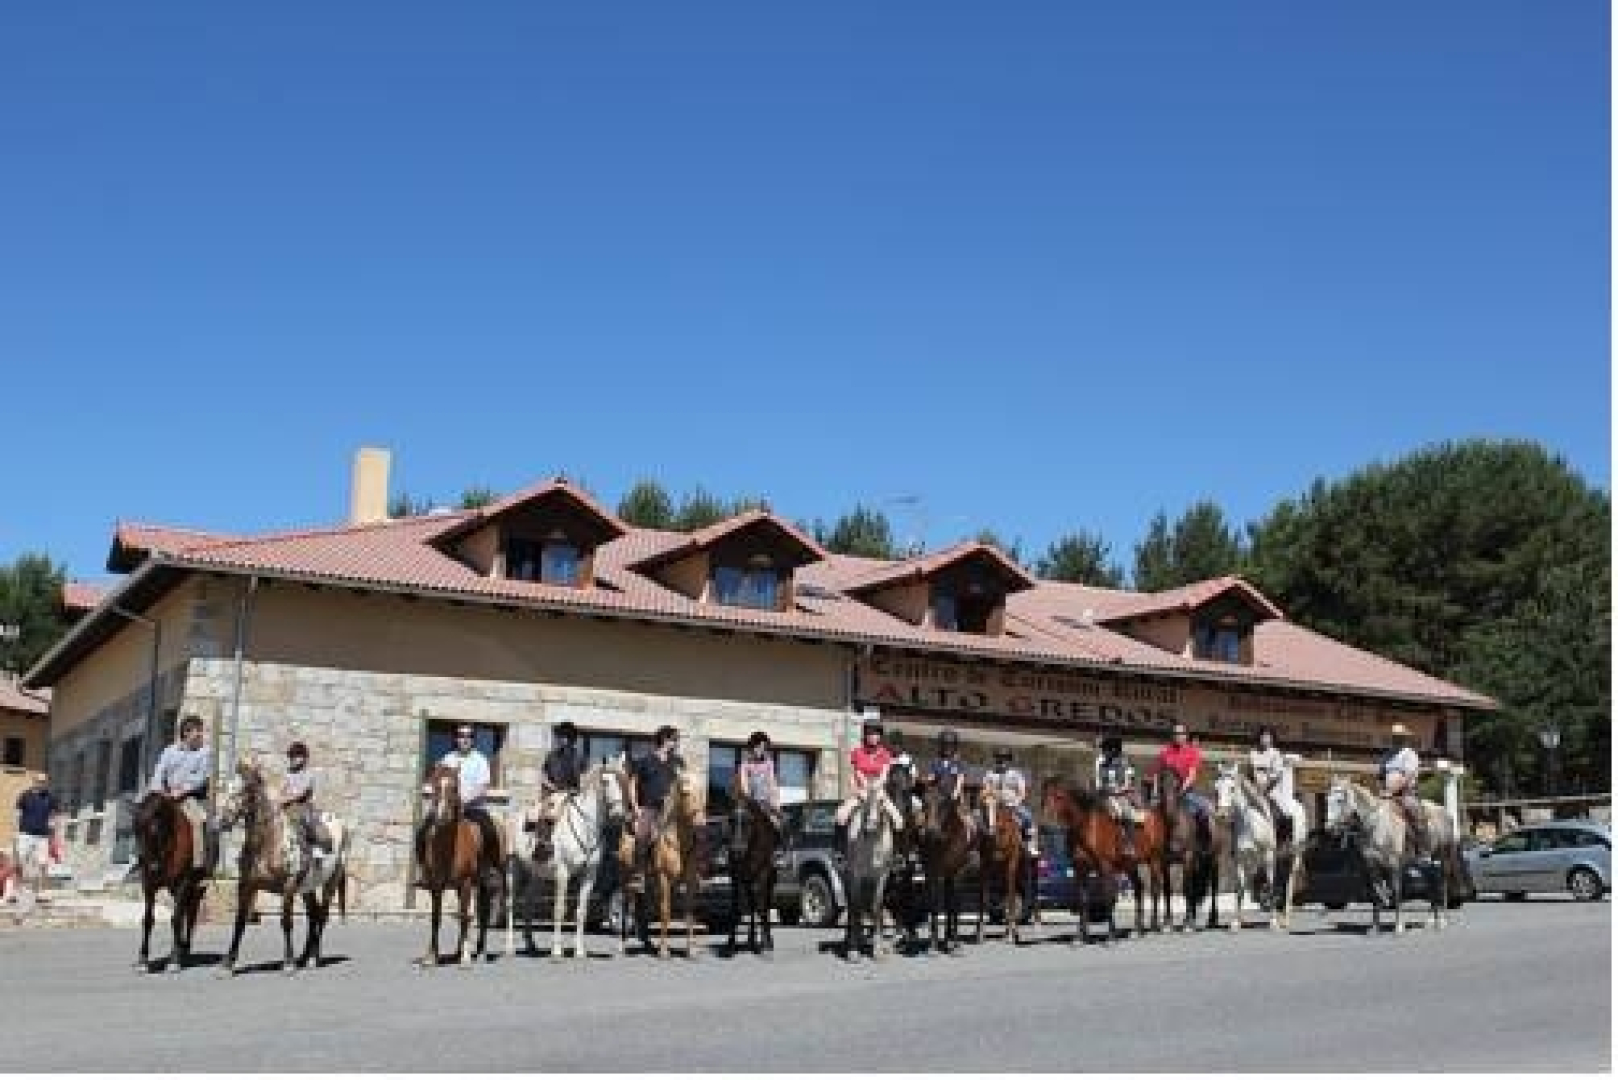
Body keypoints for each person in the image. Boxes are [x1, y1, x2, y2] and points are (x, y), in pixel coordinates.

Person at [425, 725, 502, 875]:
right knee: (424, 828)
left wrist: (465, 800)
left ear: (473, 740)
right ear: (456, 738)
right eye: (461, 735)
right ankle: (425, 868)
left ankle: (489, 869)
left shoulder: (480, 760)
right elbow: (438, 781)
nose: (465, 739)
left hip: (473, 808)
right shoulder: (448, 758)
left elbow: (483, 787)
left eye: (469, 736)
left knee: (490, 831)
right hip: (449, 808)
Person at [148, 715, 213, 870]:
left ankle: (199, 862)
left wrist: (182, 790)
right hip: (164, 794)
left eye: (201, 732)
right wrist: (158, 789)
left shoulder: (204, 752)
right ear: (186, 733)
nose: (200, 735)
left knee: (198, 821)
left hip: (189, 797)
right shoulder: (169, 751)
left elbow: (200, 777)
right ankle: (145, 857)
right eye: (198, 732)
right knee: (145, 817)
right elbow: (159, 772)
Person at [626, 725, 686, 888]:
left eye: (676, 740)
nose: (676, 743)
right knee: (642, 834)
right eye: (674, 739)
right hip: (650, 807)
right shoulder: (645, 761)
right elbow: (632, 785)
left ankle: (689, 871)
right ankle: (638, 874)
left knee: (691, 834)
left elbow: (683, 783)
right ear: (664, 740)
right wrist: (636, 807)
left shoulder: (678, 762)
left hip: (671, 810)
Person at [835, 719, 895, 839]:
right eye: (870, 733)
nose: (873, 736)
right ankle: (842, 845)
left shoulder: (885, 754)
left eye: (876, 733)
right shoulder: (857, 752)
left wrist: (876, 784)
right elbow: (855, 772)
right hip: (860, 790)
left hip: (878, 790)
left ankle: (895, 847)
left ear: (880, 736)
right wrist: (858, 787)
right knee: (840, 816)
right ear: (865, 735)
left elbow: (884, 774)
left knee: (898, 820)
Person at [532, 722, 585, 858]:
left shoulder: (579, 757)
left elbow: (583, 777)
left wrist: (579, 790)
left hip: (574, 795)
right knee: (547, 812)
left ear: (571, 738)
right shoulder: (552, 756)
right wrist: (551, 786)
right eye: (560, 736)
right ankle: (543, 844)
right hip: (554, 793)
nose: (561, 739)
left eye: (564, 736)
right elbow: (543, 776)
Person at [277, 742, 331, 872]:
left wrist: (285, 799)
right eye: (292, 757)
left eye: (297, 756)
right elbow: (281, 788)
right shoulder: (288, 773)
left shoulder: (309, 774)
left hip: (303, 806)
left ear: (304, 758)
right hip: (287, 807)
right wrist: (278, 797)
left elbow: (301, 793)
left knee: (308, 821)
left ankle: (318, 849)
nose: (294, 759)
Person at [1248, 726, 1305, 844]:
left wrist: (1265, 788)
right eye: (1263, 736)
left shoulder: (1275, 754)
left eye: (1268, 737)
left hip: (1272, 792)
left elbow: (1276, 776)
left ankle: (1282, 840)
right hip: (1255, 790)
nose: (1265, 739)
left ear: (1272, 739)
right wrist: (1253, 787)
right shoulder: (1253, 753)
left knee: (1280, 814)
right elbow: (1251, 772)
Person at [729, 731, 781, 856]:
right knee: (739, 818)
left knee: (779, 823)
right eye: (759, 747)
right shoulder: (745, 765)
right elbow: (745, 785)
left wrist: (775, 804)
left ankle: (778, 852)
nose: (761, 750)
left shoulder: (769, 763)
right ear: (752, 747)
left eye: (764, 748)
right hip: (750, 802)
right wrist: (750, 799)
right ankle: (735, 848)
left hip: (766, 802)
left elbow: (772, 784)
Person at [1379, 723, 1428, 854]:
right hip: (1387, 794)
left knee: (1415, 812)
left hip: (1406, 793)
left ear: (1405, 738)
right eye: (1395, 736)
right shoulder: (1386, 755)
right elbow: (1381, 776)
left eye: (1399, 736)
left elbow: (1408, 776)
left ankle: (1423, 848)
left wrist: (1392, 790)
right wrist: (1382, 789)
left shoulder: (1410, 754)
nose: (1396, 739)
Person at [982, 747, 1037, 856]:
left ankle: (1031, 846)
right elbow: (985, 790)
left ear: (1009, 760)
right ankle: (979, 844)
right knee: (977, 819)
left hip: (1012, 804)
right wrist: (988, 796)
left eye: (1005, 759)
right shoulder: (989, 774)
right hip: (994, 805)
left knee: (1029, 818)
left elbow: (1022, 792)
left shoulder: (1016, 775)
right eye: (999, 759)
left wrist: (1016, 802)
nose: (1002, 761)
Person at [1154, 723, 1212, 824]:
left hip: (1186, 791)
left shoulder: (1193, 752)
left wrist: (1182, 789)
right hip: (1165, 791)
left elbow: (1191, 775)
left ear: (1186, 735)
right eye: (1176, 733)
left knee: (1205, 808)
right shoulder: (1165, 751)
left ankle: (1204, 834)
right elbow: (1157, 773)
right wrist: (1155, 793)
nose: (1178, 736)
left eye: (1181, 733)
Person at [1095, 735, 1143, 858]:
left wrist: (1118, 790)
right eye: (1103, 749)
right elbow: (1098, 781)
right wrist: (1102, 789)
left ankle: (1130, 844)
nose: (1103, 752)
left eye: (1106, 749)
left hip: (1122, 794)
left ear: (1114, 750)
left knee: (1126, 812)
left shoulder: (1126, 762)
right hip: (1105, 794)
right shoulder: (1101, 761)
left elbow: (1129, 781)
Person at [14, 772, 59, 900]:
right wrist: (15, 832)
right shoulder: (25, 795)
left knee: (43, 863)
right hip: (25, 834)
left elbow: (53, 816)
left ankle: (41, 892)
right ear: (34, 782)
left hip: (42, 836)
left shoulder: (51, 798)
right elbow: (17, 814)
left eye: (44, 781)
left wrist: (53, 835)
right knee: (20, 861)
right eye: (39, 781)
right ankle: (17, 890)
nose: (42, 783)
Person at [926, 729, 974, 840]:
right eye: (945, 745)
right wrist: (930, 778)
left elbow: (960, 779)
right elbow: (931, 776)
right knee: (925, 812)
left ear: (954, 746)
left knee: (969, 822)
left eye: (950, 745)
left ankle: (971, 842)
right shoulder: (936, 761)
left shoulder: (959, 762)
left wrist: (955, 793)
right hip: (938, 795)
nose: (947, 748)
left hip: (954, 796)